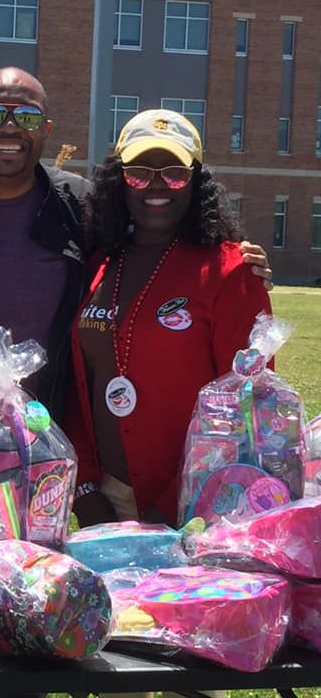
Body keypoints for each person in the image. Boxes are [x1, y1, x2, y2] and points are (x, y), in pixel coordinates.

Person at [0, 67, 272, 442]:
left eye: (27, 115)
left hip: (49, 447)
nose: (10, 127)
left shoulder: (80, 206)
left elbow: (159, 224)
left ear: (46, 129)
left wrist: (232, 257)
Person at [67, 108, 272, 527]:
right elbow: (77, 384)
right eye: (139, 173)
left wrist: (170, 506)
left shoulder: (230, 270)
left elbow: (245, 406)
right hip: (107, 500)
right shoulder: (98, 264)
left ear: (197, 182)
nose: (156, 185)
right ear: (119, 183)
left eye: (174, 173)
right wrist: (86, 490)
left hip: (199, 503)